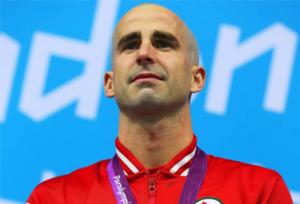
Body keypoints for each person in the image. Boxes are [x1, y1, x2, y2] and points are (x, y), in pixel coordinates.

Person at [27, 3, 292, 204]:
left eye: (163, 44)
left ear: (196, 78)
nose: (144, 53)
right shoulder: (54, 197)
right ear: (109, 83)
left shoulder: (259, 191)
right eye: (130, 45)